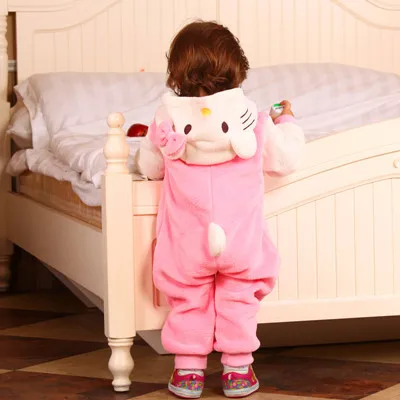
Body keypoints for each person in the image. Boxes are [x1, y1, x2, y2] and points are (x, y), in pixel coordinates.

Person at [138, 20, 304, 399]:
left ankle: (188, 371)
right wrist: (286, 121)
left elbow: (149, 167)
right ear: (237, 68)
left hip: (187, 243)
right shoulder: (254, 120)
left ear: (176, 73)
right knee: (239, 297)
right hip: (240, 242)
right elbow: (286, 159)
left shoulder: (166, 123)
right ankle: (237, 369)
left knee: (188, 299)